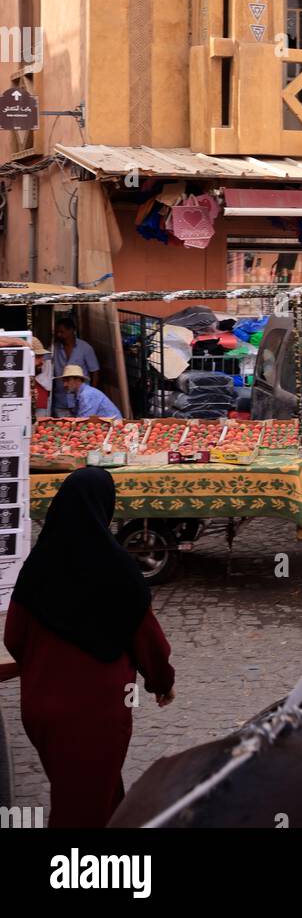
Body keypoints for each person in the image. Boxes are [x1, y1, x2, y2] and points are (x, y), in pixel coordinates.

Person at [3, 467, 175, 827]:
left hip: (39, 710)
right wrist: (162, 683)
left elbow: (14, 637)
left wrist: (43, 668)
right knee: (79, 809)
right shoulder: (120, 573)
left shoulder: (37, 567)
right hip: (95, 716)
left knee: (95, 791)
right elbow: (150, 644)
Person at [52, 317, 99, 415]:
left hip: (80, 399)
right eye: (57, 332)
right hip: (61, 400)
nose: (58, 335)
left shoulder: (85, 348)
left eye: (62, 332)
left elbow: (94, 371)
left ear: (71, 330)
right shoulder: (53, 348)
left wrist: (92, 394)